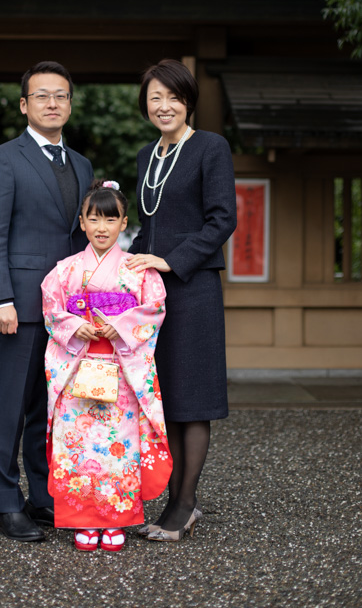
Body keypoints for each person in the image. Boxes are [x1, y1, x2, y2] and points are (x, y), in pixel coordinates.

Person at [0, 61, 94, 542]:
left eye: (61, 96)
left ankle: (43, 498)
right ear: (25, 104)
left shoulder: (82, 165)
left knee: (50, 407)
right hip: (18, 306)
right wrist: (0, 296)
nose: (52, 103)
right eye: (42, 96)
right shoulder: (2, 159)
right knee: (10, 404)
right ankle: (5, 502)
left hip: (66, 313)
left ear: (69, 103)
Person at [126, 58, 237, 542]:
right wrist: (113, 272)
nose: (164, 105)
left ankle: (184, 503)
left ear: (188, 101)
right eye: (155, 97)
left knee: (192, 400)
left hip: (192, 290)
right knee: (165, 398)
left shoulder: (210, 147)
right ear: (145, 105)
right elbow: (147, 231)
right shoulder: (145, 156)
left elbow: (222, 219)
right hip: (153, 297)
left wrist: (171, 261)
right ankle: (175, 496)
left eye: (173, 97)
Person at [41, 180, 172, 552]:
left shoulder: (138, 269)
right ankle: (82, 520)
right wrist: (72, 325)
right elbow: (51, 309)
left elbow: (155, 308)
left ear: (124, 223)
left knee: (119, 447)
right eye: (93, 219)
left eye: (110, 219)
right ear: (81, 223)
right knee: (78, 447)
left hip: (120, 368)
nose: (101, 227)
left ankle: (116, 520)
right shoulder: (65, 270)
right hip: (78, 366)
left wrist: (122, 325)